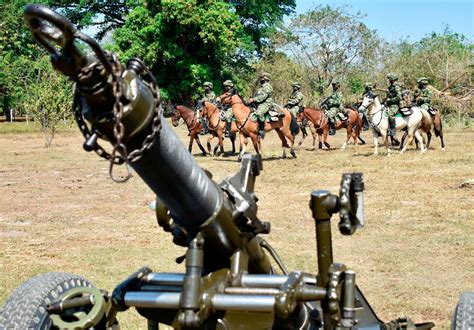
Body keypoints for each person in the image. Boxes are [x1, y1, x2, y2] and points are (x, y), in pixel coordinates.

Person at [248, 72, 273, 139]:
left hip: (265, 103)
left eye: (262, 78)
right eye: (260, 78)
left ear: (265, 79)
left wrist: (253, 99)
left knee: (259, 113)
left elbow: (263, 97)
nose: (260, 79)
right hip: (258, 103)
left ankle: (262, 131)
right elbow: (257, 95)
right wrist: (251, 98)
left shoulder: (267, 87)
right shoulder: (261, 87)